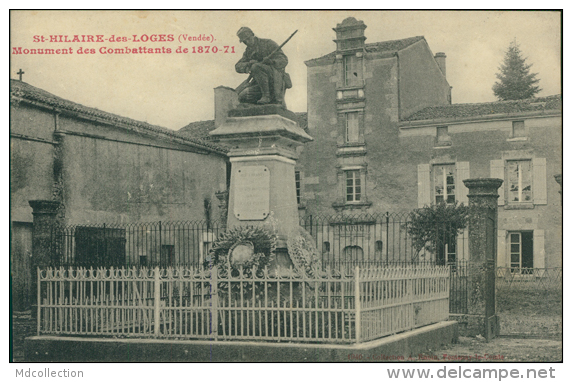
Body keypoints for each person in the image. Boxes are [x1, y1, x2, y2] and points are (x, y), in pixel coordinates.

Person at [235, 27, 290, 105]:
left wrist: (271, 61)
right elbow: (237, 66)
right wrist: (248, 64)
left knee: (256, 67)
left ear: (253, 35)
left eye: (248, 39)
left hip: (274, 79)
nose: (247, 42)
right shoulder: (248, 51)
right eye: (244, 41)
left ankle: (266, 96)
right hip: (259, 83)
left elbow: (284, 60)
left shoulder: (268, 43)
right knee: (242, 96)